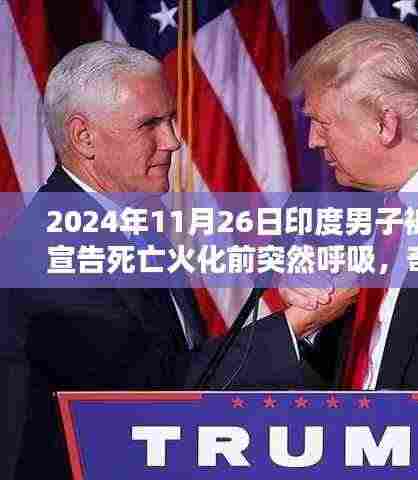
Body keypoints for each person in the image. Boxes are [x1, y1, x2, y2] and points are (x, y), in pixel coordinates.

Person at [0, 41, 325, 480]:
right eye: (149, 124)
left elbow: (179, 357)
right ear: (83, 137)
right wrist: (296, 323)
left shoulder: (132, 223)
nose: (173, 141)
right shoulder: (48, 253)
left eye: (171, 119)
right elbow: (153, 399)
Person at [282, 17, 418, 390]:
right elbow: (372, 362)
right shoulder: (374, 207)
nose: (313, 141)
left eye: (322, 123)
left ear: (385, 125)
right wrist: (315, 319)